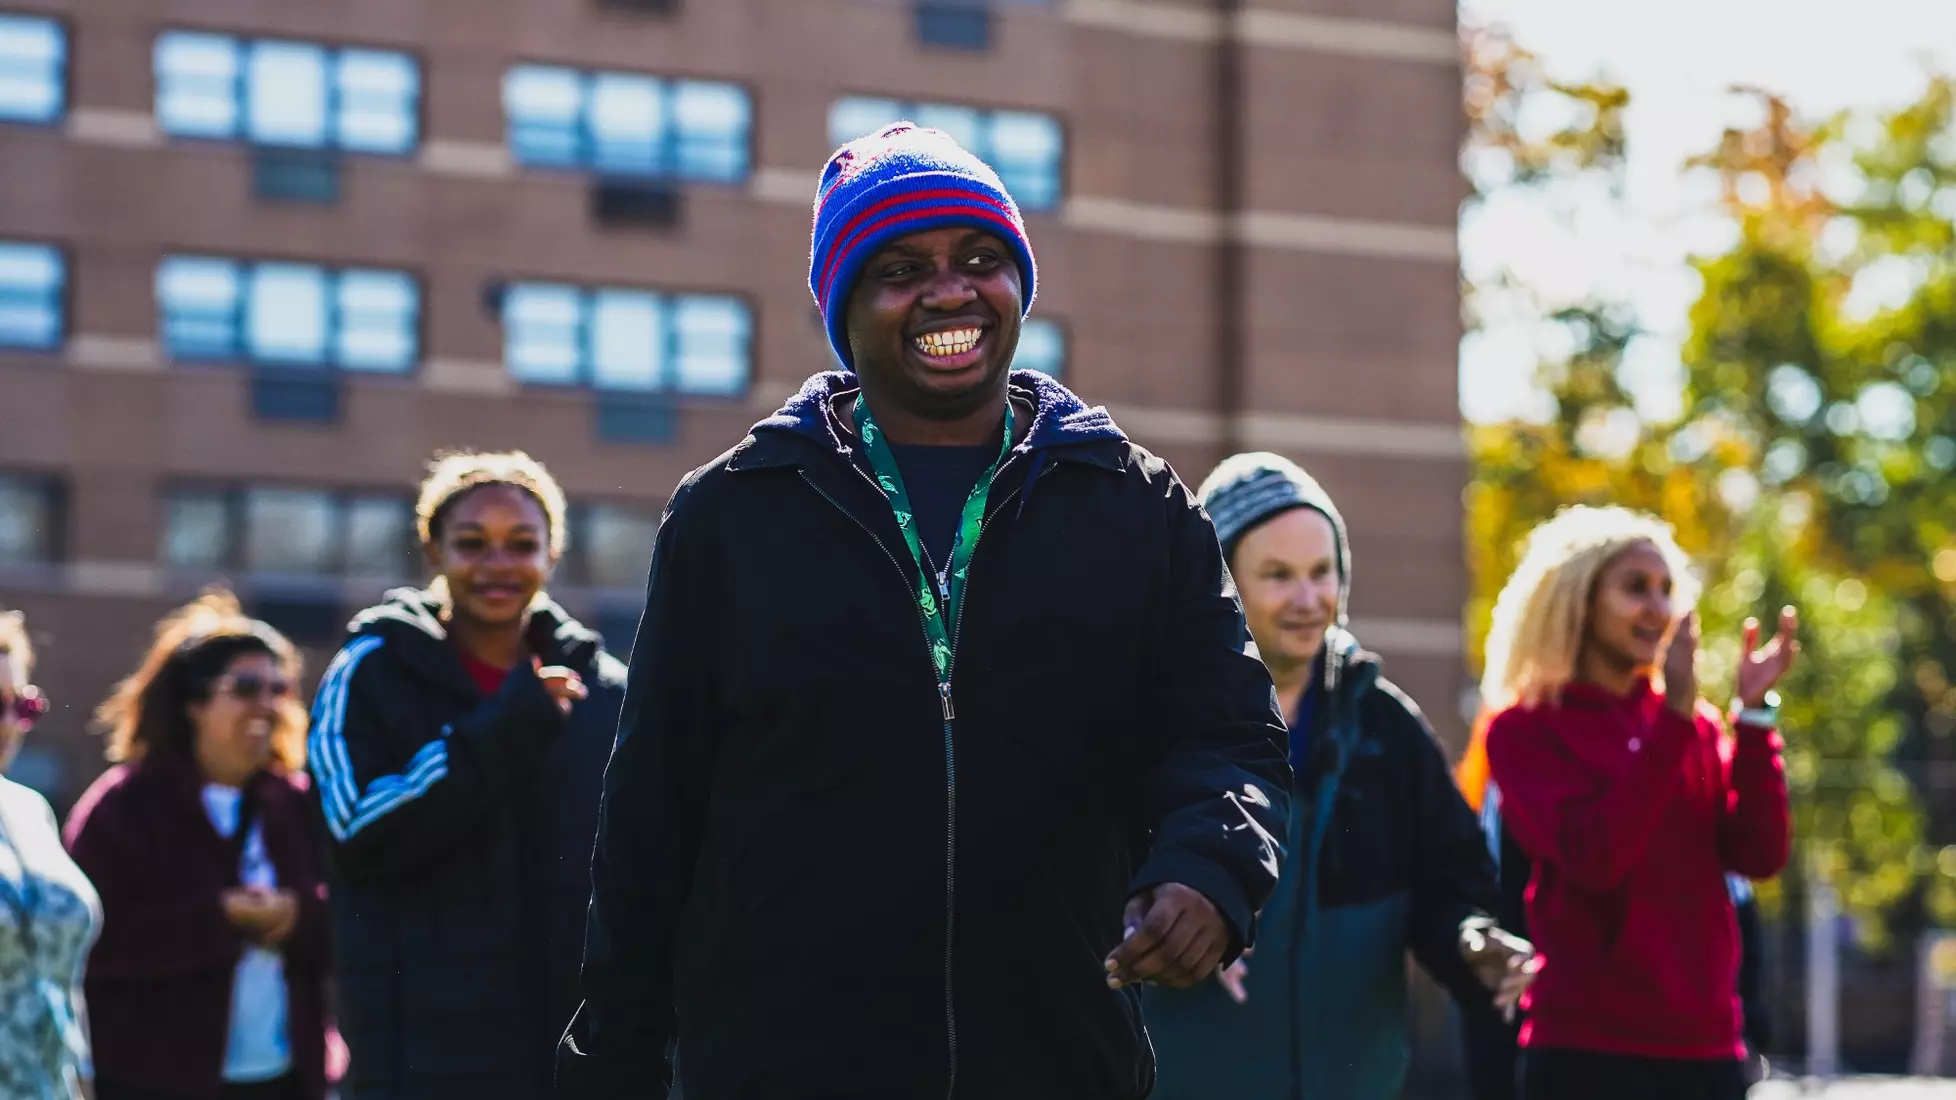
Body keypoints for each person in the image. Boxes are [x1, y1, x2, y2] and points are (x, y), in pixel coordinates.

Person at [556, 122, 1291, 1100]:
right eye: (903, 267)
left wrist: (1212, 868)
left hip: (1060, 1061)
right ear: (845, 303)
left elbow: (1230, 735)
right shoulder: (733, 512)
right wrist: (610, 1059)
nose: (950, 290)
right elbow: (649, 815)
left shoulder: (1134, 502)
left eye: (981, 259)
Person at [1140, 453, 1536, 1099]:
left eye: (1322, 572)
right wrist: (1178, 918)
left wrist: (1471, 941)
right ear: (1222, 583)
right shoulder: (1150, 720)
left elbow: (1454, 880)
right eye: (1277, 575)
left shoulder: (1386, 728)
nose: (1308, 599)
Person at [307, 450, 626, 1100]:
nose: (498, 565)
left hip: (579, 1066)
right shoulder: (368, 671)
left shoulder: (610, 690)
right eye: (472, 544)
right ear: (434, 550)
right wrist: (508, 725)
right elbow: (358, 834)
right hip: (423, 1067)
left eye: (522, 544)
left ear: (552, 553)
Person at [1480, 506, 1795, 1100]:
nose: (1657, 607)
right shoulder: (1523, 731)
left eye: (1666, 590)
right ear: (1579, 600)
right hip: (1584, 1052)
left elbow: (1759, 853)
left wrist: (1753, 720)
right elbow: (1596, 857)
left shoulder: (1696, 727)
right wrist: (1673, 721)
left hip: (1707, 1048)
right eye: (1634, 588)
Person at [65, 591, 336, 1100]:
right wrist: (221, 917)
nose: (267, 705)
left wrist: (295, 916)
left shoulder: (298, 802)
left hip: (287, 1080)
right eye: (247, 687)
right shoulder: (124, 806)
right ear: (194, 703)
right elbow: (88, 940)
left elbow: (355, 920)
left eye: (280, 688)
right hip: (155, 1082)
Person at [1456, 737, 1774, 1098]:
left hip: (1691, 1045)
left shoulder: (1696, 742)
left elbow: (1743, 889)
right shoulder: (1524, 740)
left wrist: (1749, 1021)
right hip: (1578, 1040)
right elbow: (1501, 909)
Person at [0, 610, 99, 1100]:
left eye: (20, 706)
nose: (6, 725)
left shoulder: (30, 809)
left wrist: (82, 1084)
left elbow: (63, 987)